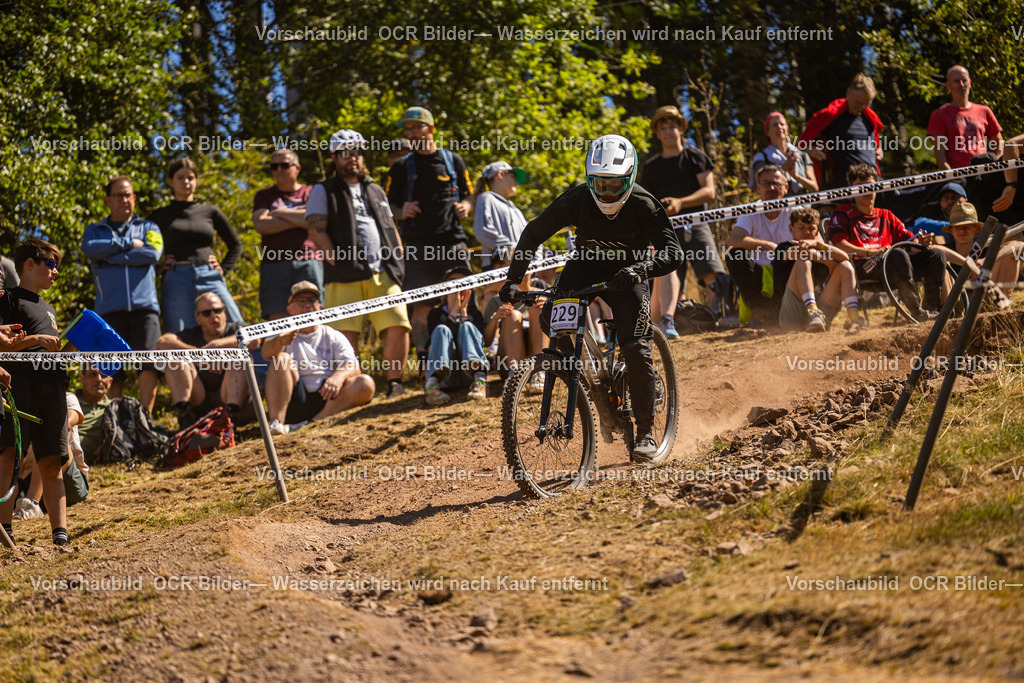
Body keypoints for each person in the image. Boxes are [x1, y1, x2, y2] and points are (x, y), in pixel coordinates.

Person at [500, 134, 684, 462]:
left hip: (629, 274)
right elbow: (533, 233)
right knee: (550, 319)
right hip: (584, 267)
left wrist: (642, 269)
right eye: (600, 184)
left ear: (630, 178)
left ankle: (644, 432)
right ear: (589, 180)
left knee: (635, 346)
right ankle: (590, 383)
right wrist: (513, 280)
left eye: (615, 185)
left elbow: (674, 253)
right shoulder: (577, 199)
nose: (607, 192)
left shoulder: (644, 204)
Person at [305, 129, 411, 399]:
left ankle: (395, 384)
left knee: (398, 324)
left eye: (357, 152)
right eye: (345, 152)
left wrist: (398, 256)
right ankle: (356, 390)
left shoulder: (375, 189)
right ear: (334, 157)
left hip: (384, 272)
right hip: (343, 275)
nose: (352, 157)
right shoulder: (323, 190)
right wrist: (335, 259)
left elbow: (390, 226)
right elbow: (316, 229)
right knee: (345, 335)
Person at [384, 107, 473, 355]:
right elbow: (384, 204)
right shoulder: (401, 166)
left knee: (460, 301)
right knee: (421, 307)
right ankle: (426, 363)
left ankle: (465, 360)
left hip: (453, 242)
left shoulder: (452, 161)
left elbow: (469, 194)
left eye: (416, 127)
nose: (411, 133)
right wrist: (401, 210)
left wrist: (466, 206)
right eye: (407, 129)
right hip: (417, 247)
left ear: (431, 128)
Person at [0, 239, 71, 546]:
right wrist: (34, 340)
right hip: (19, 387)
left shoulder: (49, 308)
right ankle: (5, 531)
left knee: (53, 461)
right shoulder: (8, 299)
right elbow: (3, 345)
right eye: (51, 264)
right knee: (9, 455)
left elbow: (52, 351)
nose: (56, 272)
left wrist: (73, 345)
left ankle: (60, 535)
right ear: (30, 264)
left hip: (52, 388)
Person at [640, 105, 729, 336]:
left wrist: (680, 203)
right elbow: (645, 203)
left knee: (711, 272)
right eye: (663, 128)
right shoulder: (650, 167)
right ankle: (676, 322)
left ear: (681, 128)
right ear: (657, 133)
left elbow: (709, 191)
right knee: (668, 274)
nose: (668, 132)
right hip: (665, 229)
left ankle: (719, 318)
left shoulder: (695, 157)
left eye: (672, 127)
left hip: (696, 223)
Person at [81, 175, 164, 412]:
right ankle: (114, 420)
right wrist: (128, 244)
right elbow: (90, 249)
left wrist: (110, 257)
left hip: (145, 308)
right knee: (111, 369)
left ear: (134, 198)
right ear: (107, 200)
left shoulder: (150, 227)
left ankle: (145, 419)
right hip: (109, 310)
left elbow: (153, 253)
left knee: (148, 364)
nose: (124, 200)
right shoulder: (94, 230)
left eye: (128, 195)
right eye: (118, 195)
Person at [829, 163, 948, 320]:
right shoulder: (843, 211)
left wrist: (920, 242)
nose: (866, 190)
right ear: (852, 188)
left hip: (896, 266)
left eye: (870, 185)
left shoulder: (886, 215)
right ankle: (916, 312)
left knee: (936, 254)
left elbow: (909, 241)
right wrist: (871, 252)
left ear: (877, 187)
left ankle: (931, 310)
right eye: (860, 186)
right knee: (897, 254)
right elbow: (839, 245)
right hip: (864, 267)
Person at [261, 281, 374, 436]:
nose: (308, 305)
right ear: (290, 309)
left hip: (328, 397)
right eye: (301, 301)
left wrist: (337, 377)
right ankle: (277, 424)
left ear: (320, 307)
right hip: (294, 398)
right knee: (280, 359)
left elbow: (353, 366)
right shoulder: (281, 331)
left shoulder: (332, 334)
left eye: (312, 301)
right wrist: (280, 341)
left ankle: (313, 423)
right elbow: (266, 353)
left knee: (365, 383)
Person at [149, 157, 244, 333]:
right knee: (178, 334)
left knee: (239, 328)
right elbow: (143, 248)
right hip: (176, 279)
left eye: (190, 178)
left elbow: (236, 244)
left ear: (196, 181)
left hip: (210, 275)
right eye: (180, 177)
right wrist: (158, 268)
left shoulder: (210, 212)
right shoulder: (159, 216)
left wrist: (223, 268)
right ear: (170, 182)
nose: (186, 182)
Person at [155, 293, 250, 429]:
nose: (213, 316)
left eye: (218, 310)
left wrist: (216, 345)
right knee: (174, 357)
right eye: (206, 313)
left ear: (225, 313)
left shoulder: (235, 328)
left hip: (233, 401)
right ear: (197, 318)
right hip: (199, 401)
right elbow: (162, 342)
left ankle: (230, 419)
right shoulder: (191, 335)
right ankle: (186, 418)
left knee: (241, 356)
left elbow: (253, 339)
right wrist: (200, 355)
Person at [773, 207, 864, 333]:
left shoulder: (820, 248)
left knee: (845, 266)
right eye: (801, 227)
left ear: (818, 231)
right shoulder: (783, 247)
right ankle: (813, 312)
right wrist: (828, 261)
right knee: (803, 261)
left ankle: (854, 319)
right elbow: (800, 253)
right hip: (791, 314)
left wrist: (818, 245)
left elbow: (844, 257)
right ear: (791, 228)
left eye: (811, 228)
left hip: (823, 311)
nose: (806, 232)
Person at [252, 149, 319, 320]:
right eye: (274, 166)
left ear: (297, 168)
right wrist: (300, 218)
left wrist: (279, 213)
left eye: (284, 165)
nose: (279, 170)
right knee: (278, 321)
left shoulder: (311, 192)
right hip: (274, 263)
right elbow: (261, 224)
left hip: (308, 260)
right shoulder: (264, 195)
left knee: (311, 316)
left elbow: (315, 221)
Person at [724, 165, 795, 325]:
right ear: (758, 188)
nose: (771, 188)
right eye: (766, 183)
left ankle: (789, 310)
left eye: (776, 183)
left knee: (801, 257)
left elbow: (817, 240)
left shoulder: (795, 210)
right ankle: (758, 310)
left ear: (786, 187)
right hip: (756, 277)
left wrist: (785, 251)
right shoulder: (750, 211)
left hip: (786, 272)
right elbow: (733, 240)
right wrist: (769, 246)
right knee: (734, 254)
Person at [798, 74, 884, 190]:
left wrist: (879, 151)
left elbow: (875, 143)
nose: (861, 107)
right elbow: (801, 144)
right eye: (858, 103)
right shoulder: (830, 115)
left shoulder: (870, 118)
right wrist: (811, 150)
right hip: (846, 183)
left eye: (866, 104)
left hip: (873, 179)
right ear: (848, 93)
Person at [424, 267, 489, 406]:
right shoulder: (435, 314)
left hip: (469, 374)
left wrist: (464, 313)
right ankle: (432, 388)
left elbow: (480, 342)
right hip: (445, 377)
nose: (458, 287)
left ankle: (480, 382)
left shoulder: (475, 314)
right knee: (441, 329)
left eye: (463, 282)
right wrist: (453, 312)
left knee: (467, 326)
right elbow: (434, 344)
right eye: (453, 282)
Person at [934, 203, 1018, 300]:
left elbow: (1018, 245)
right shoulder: (947, 249)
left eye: (966, 227)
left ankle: (1000, 305)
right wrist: (972, 266)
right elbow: (933, 249)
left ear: (976, 228)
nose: (961, 231)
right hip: (955, 303)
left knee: (1010, 256)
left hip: (987, 299)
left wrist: (986, 261)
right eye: (957, 227)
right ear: (951, 230)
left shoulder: (986, 249)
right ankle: (946, 309)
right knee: (940, 259)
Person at [927, 66, 1005, 170]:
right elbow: (940, 157)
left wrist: (996, 167)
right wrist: (954, 176)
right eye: (956, 81)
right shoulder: (939, 115)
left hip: (985, 172)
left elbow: (999, 143)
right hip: (958, 175)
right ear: (948, 85)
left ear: (970, 83)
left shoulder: (984, 111)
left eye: (964, 80)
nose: (961, 85)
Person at [474, 161, 529, 269]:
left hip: (523, 268)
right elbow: (482, 231)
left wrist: (533, 258)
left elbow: (530, 235)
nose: (516, 183)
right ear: (500, 174)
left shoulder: (515, 209)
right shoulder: (486, 198)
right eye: (513, 177)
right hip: (498, 268)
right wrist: (513, 250)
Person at [750, 112, 818, 196]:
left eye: (782, 124)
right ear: (767, 132)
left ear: (787, 129)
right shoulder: (762, 158)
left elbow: (815, 188)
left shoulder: (801, 155)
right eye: (775, 125)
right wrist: (784, 168)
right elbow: (760, 185)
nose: (779, 127)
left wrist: (796, 176)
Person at [75, 364, 112, 465]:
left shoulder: (114, 409)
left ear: (110, 381)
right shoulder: (66, 401)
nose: (99, 379)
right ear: (82, 379)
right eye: (93, 374)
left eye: (104, 375)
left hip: (81, 460)